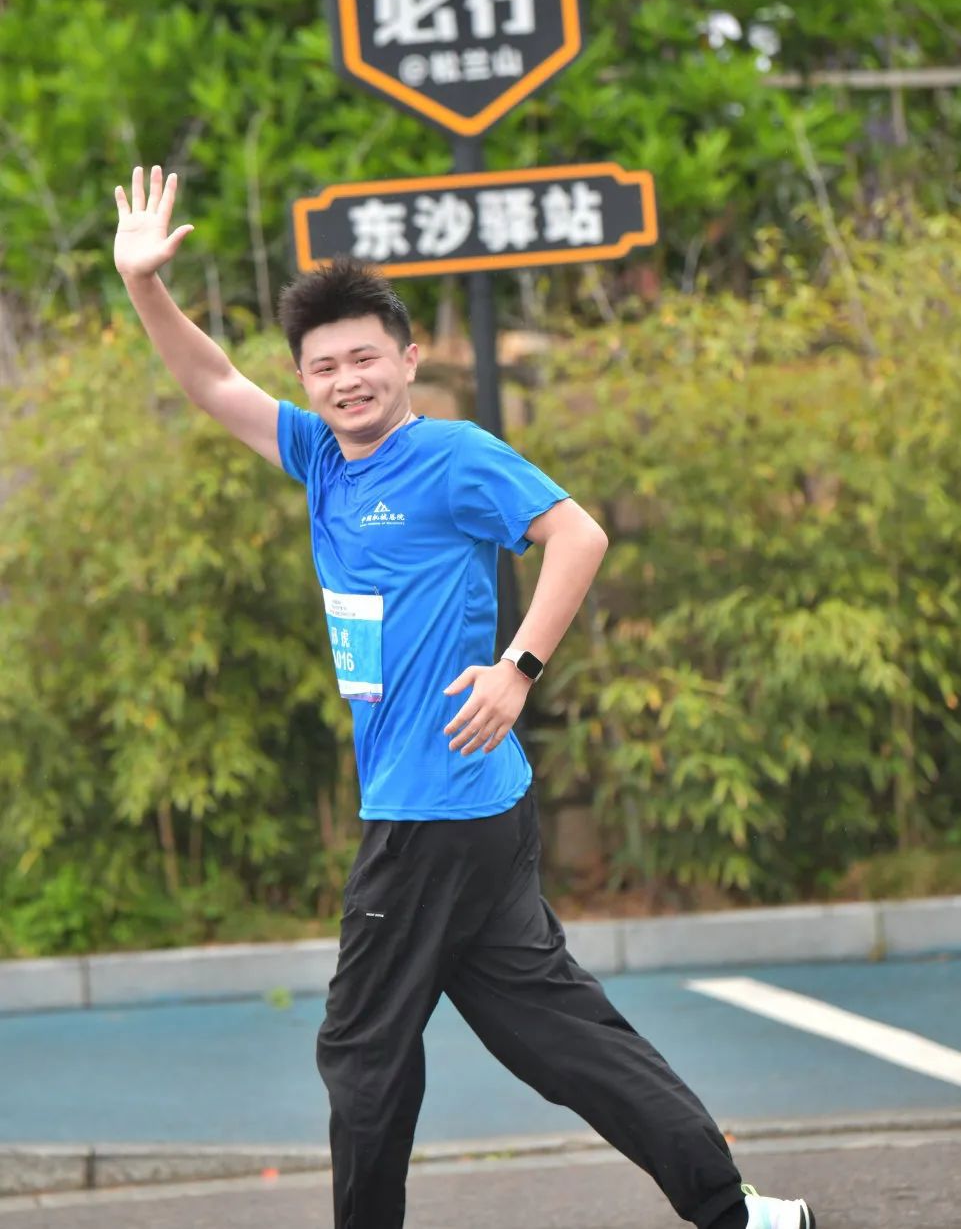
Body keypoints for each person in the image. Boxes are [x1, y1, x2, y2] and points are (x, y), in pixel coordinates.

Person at [113, 164, 816, 1229]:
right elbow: (211, 382)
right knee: (558, 1035)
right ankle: (739, 1213)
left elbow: (577, 534)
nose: (346, 380)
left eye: (364, 357)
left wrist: (516, 669)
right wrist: (144, 284)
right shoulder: (321, 461)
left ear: (408, 359)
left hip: (432, 806)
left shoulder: (450, 456)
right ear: (305, 380)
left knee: (361, 1048)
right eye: (322, 367)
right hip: (475, 805)